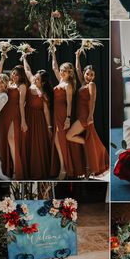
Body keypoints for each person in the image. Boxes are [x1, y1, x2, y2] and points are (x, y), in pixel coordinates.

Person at [66, 49, 109, 177]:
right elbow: (78, 70)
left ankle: (88, 143)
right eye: (87, 74)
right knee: (70, 136)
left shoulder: (91, 84)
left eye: (91, 75)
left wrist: (91, 115)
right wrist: (77, 56)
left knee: (69, 136)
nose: (89, 76)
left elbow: (93, 100)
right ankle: (88, 144)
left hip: (85, 117)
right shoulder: (83, 83)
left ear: (94, 77)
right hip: (80, 115)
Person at [50, 49, 85, 179]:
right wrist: (53, 52)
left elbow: (69, 103)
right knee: (57, 141)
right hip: (56, 113)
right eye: (62, 70)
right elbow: (54, 67)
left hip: (63, 114)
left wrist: (68, 119)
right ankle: (63, 167)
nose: (62, 72)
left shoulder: (68, 84)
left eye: (65, 70)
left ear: (69, 73)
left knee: (59, 141)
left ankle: (64, 169)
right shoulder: (61, 81)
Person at [0, 54, 27, 179]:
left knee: (11, 139)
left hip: (15, 114)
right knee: (4, 140)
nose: (14, 76)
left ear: (21, 76)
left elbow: (21, 104)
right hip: (4, 114)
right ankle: (6, 169)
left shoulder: (22, 86)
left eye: (16, 74)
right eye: (13, 73)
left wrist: (23, 121)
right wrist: (3, 58)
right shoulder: (8, 83)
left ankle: (16, 170)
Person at [23, 56, 53, 179]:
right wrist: (24, 57)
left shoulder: (44, 94)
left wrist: (49, 127)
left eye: (38, 78)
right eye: (35, 77)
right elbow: (27, 70)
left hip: (39, 120)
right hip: (28, 117)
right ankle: (28, 171)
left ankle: (38, 171)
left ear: (43, 82)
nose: (35, 78)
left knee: (38, 145)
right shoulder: (31, 84)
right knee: (27, 143)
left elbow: (46, 111)